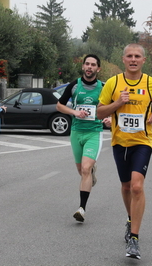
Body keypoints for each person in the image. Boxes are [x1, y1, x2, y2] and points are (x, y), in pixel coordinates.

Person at [97, 43, 152, 260]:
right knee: (126, 186)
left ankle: (134, 239)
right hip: (119, 141)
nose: (133, 59)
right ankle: (130, 218)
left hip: (143, 141)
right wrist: (118, 102)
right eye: (130, 56)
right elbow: (100, 112)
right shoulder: (113, 82)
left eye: (137, 56)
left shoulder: (150, 82)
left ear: (143, 60)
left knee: (137, 186)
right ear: (123, 59)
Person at [56, 54, 109, 223]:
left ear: (98, 69)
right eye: (87, 64)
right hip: (76, 131)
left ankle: (82, 208)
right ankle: (91, 171)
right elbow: (60, 105)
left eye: (93, 65)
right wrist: (74, 112)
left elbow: (114, 108)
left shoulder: (104, 87)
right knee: (81, 170)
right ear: (83, 67)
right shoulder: (74, 86)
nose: (89, 67)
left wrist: (110, 118)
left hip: (94, 131)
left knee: (85, 169)